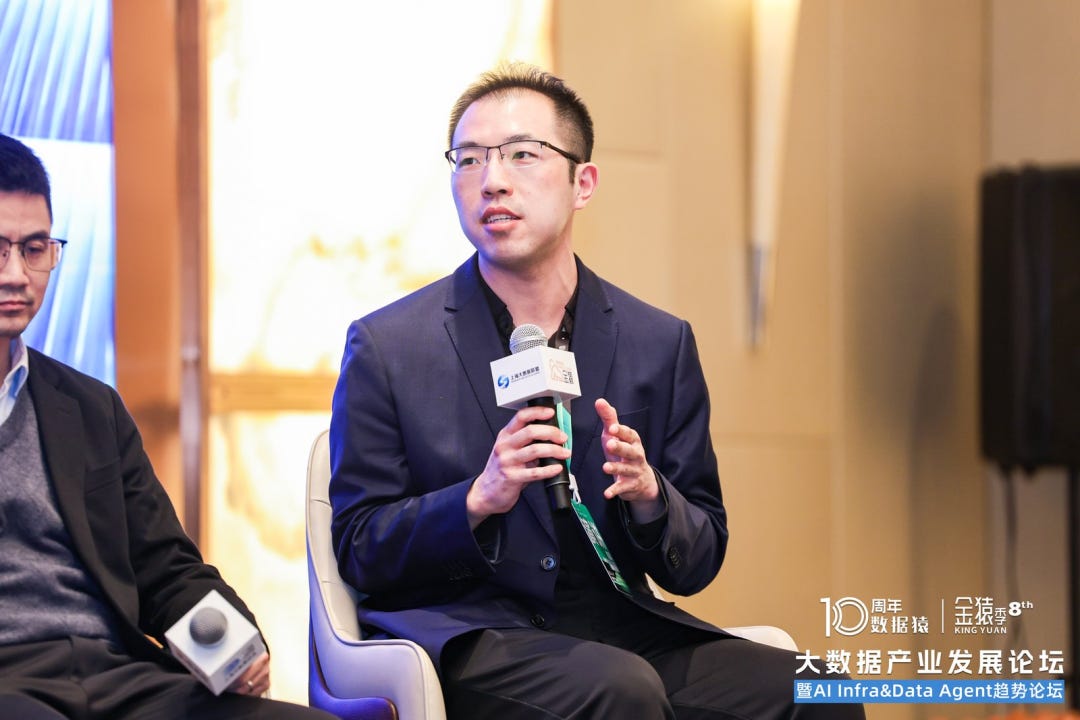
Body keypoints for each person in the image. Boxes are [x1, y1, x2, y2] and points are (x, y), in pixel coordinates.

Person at [329, 64, 864, 719]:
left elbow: (699, 556)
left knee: (820, 689)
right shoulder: (389, 346)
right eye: (468, 159)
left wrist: (650, 496)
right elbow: (359, 546)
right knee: (620, 688)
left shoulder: (656, 341)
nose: (492, 179)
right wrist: (476, 499)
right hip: (474, 635)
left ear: (582, 183)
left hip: (621, 628)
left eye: (522, 154)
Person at [0, 133, 334, 719]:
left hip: (116, 675)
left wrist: (234, 648)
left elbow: (163, 566)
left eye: (34, 249)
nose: (17, 275)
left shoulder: (89, 407)